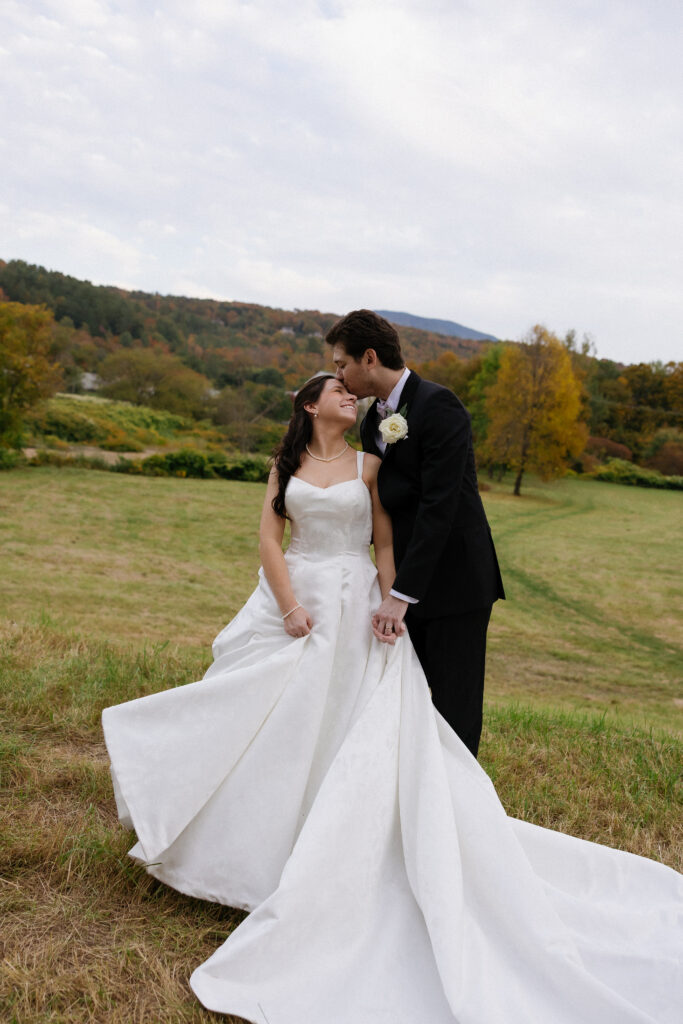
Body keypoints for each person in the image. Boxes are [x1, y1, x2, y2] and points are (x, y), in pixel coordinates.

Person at [102, 374, 682, 1024]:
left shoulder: (367, 462)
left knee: (351, 722)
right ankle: (229, 835)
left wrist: (390, 603)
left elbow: (381, 539)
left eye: (353, 389)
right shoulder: (283, 464)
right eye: (336, 391)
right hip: (296, 601)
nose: (349, 397)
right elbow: (269, 539)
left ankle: (335, 851)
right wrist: (289, 606)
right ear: (307, 404)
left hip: (355, 600)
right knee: (268, 714)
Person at [326, 309, 504, 756]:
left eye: (341, 364)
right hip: (403, 582)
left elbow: (438, 508)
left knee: (453, 710)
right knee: (408, 703)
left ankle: (460, 814)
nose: (339, 376)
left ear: (369, 358)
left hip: (455, 583)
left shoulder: (440, 405)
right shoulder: (371, 424)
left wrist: (401, 594)